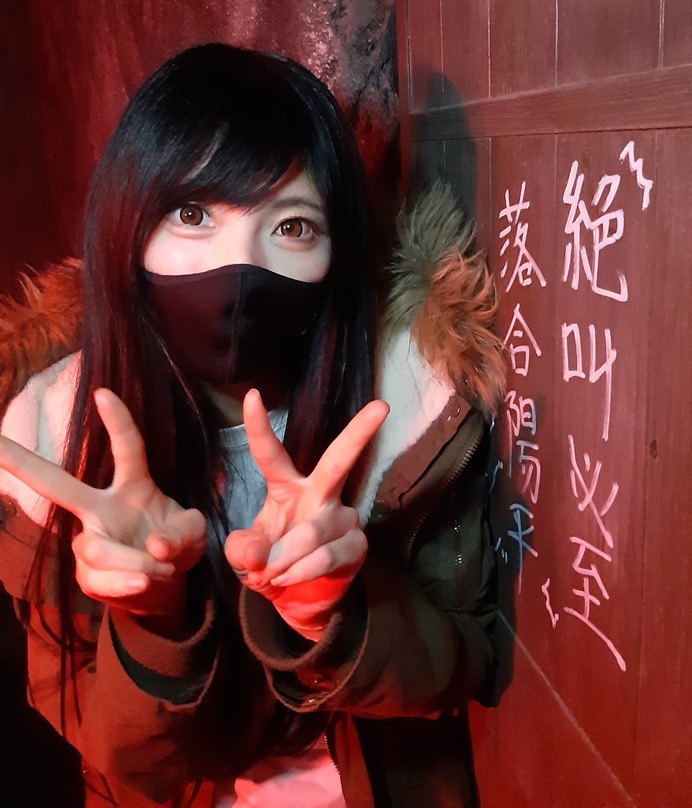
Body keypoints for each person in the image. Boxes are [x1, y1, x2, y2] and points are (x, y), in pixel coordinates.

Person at [0, 44, 506, 808]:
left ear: (338, 250)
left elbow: (465, 663)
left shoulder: (409, 411)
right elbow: (120, 759)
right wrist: (152, 618)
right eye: (193, 215)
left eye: (293, 226)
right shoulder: (54, 442)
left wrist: (335, 610)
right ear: (125, 228)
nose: (239, 267)